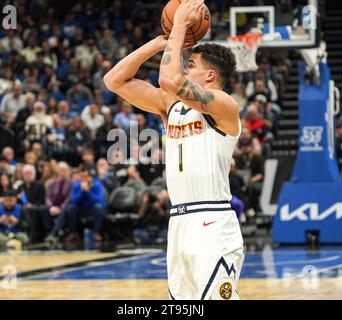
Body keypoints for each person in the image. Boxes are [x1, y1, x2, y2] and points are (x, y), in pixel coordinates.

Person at [104, 0, 244, 300]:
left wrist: (179, 22)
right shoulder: (172, 106)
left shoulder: (224, 106)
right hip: (179, 221)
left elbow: (168, 79)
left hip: (212, 222)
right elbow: (113, 80)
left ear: (210, 76)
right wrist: (159, 42)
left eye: (191, 64)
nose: (184, 66)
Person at [46, 168, 106, 243]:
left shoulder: (97, 184)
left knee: (98, 207)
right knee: (70, 208)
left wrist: (88, 191)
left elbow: (98, 200)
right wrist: (82, 191)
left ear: (90, 177)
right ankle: (73, 233)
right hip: (81, 209)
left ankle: (97, 232)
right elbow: (73, 201)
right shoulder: (77, 185)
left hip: (92, 209)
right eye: (82, 177)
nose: (84, 179)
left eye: (86, 176)